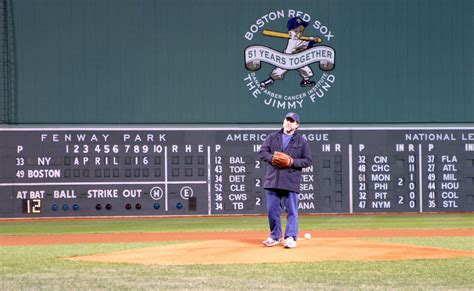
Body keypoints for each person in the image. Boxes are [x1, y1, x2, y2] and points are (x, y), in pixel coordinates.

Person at [259, 112, 313, 248]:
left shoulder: (302, 141)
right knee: (272, 210)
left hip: (290, 180)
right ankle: (275, 236)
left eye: (292, 121)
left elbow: (308, 161)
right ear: (283, 121)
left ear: (297, 125)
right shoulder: (272, 137)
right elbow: (262, 152)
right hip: (273, 179)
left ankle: (290, 237)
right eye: (287, 119)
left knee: (292, 211)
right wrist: (272, 158)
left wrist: (291, 161)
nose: (289, 122)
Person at [260, 17, 318, 89]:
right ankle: (270, 80)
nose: (298, 34)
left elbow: (303, 44)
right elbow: (306, 45)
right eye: (296, 31)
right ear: (290, 33)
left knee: (305, 69)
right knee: (279, 71)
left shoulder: (298, 40)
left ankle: (305, 81)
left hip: (297, 59)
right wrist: (312, 41)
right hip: (288, 58)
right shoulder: (293, 41)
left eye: (300, 32)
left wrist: (311, 40)